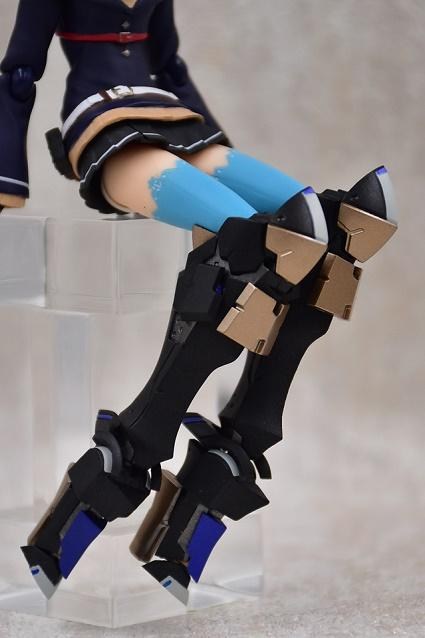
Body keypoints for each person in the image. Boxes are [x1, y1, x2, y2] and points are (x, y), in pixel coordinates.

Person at [0, 0, 397, 604]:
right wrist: (8, 176)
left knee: (331, 235)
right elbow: (19, 72)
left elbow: (172, 66)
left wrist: (217, 147)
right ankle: (130, 451)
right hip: (106, 127)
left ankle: (231, 456)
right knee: (251, 244)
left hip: (177, 120)